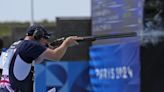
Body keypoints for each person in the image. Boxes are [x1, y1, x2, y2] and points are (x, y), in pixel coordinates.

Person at [0, 24, 82, 92]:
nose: (47, 41)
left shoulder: (17, 45)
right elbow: (56, 56)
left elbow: (35, 61)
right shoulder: (29, 45)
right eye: (45, 38)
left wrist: (49, 48)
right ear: (37, 35)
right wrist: (66, 43)